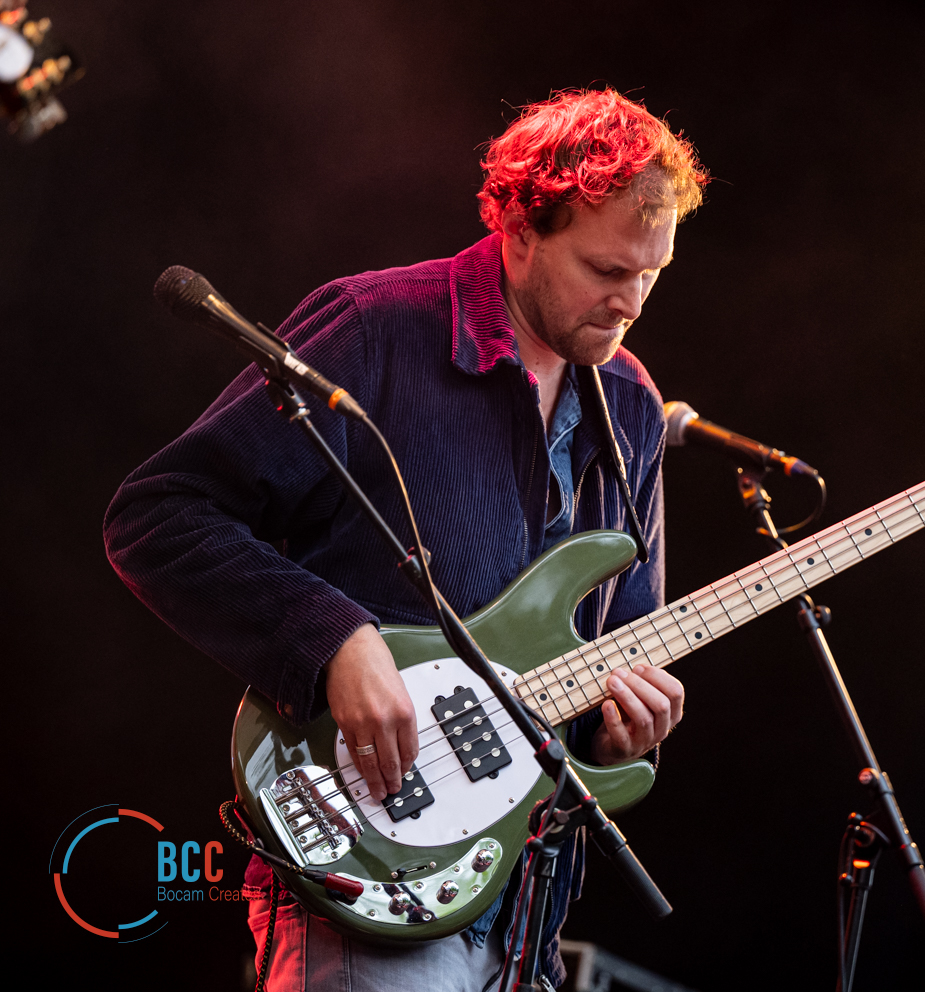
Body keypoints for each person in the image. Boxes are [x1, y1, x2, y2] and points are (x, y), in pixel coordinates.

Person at [104, 87, 707, 991]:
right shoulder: (376, 328)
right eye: (605, 270)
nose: (630, 303)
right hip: (364, 879)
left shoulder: (630, 404)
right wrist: (332, 639)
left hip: (527, 910)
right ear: (520, 230)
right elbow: (157, 515)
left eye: (651, 275)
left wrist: (626, 737)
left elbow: (617, 651)